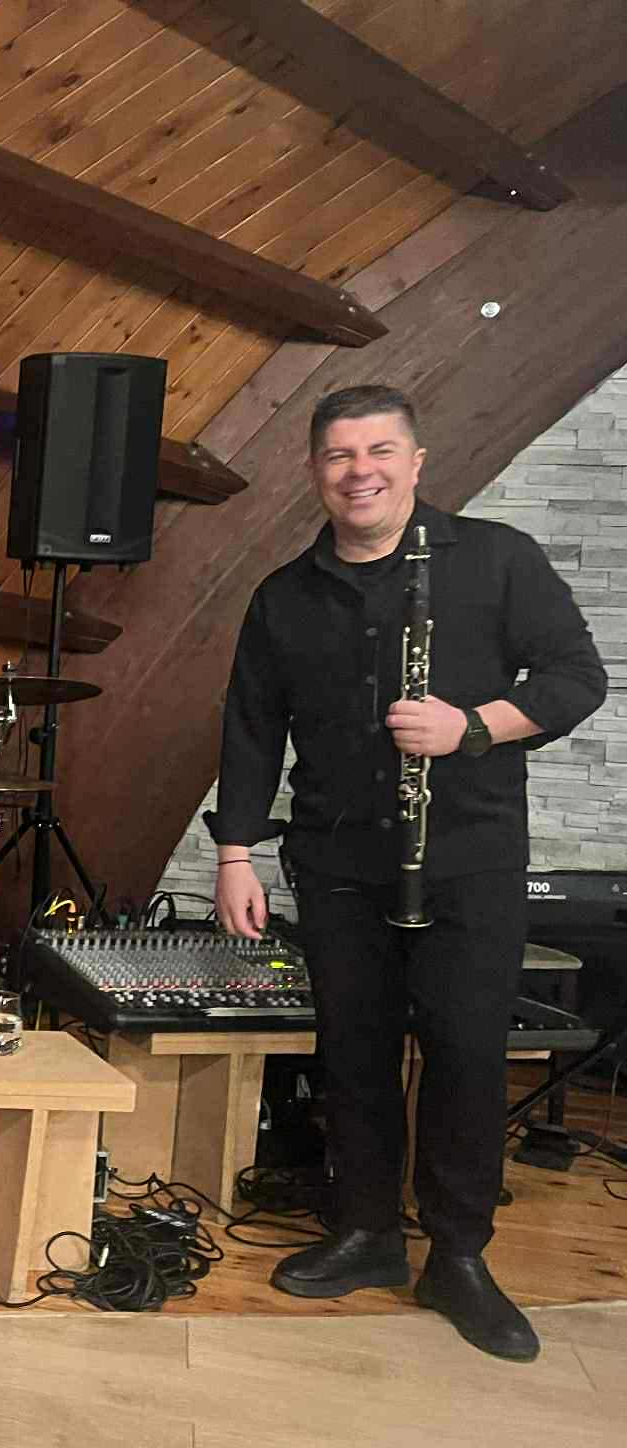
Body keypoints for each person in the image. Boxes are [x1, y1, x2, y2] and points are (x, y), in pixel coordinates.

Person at [210, 384, 604, 1363]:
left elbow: (575, 679)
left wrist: (470, 726)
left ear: (416, 461)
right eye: (339, 455)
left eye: (379, 450)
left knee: (467, 1054)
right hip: (338, 861)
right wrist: (234, 854)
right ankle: (366, 1232)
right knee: (352, 1054)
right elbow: (251, 730)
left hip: (467, 858)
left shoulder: (494, 559)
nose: (360, 472)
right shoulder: (284, 596)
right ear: (315, 470)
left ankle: (458, 1255)